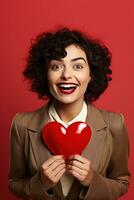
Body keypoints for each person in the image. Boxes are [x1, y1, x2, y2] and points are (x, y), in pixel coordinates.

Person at [8, 27, 130, 200]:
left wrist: (92, 181)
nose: (66, 75)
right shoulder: (21, 124)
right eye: (56, 66)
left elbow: (121, 183)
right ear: (45, 73)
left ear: (91, 75)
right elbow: (14, 182)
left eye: (78, 66)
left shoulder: (115, 124)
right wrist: (40, 183)